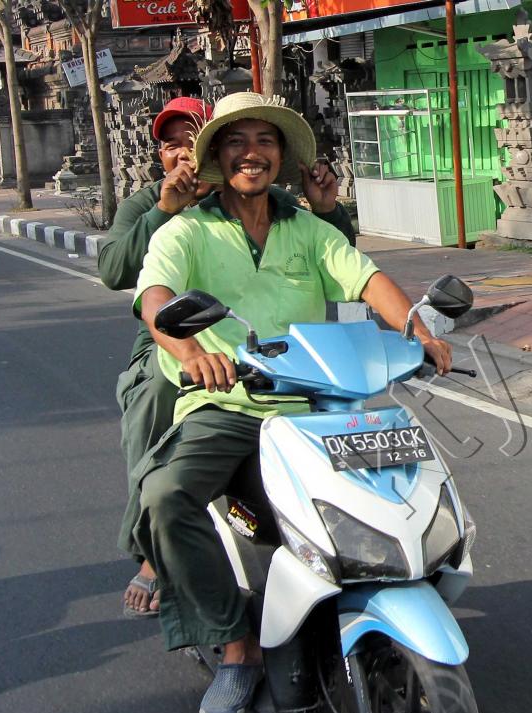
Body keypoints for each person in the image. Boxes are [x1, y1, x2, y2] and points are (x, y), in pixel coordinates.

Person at [132, 92, 453, 713]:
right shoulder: (186, 230)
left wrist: (415, 328)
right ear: (220, 158)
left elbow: (366, 279)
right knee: (167, 496)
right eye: (237, 142)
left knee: (389, 487)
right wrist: (193, 350)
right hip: (227, 402)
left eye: (265, 142)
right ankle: (236, 644)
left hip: (315, 402)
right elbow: (155, 298)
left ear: (280, 157)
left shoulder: (309, 230)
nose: (252, 153)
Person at [99, 96, 355, 618]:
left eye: (189, 138)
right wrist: (166, 209)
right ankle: (154, 549)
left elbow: (344, 263)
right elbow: (116, 271)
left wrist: (326, 206)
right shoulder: (153, 203)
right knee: (155, 406)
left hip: (275, 356)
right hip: (179, 340)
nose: (181, 152)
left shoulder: (263, 196)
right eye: (171, 142)